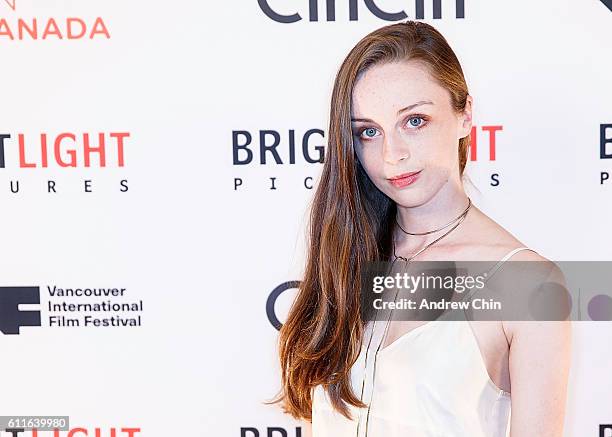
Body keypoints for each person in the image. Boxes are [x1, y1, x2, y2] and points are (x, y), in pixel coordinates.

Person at [266, 20, 571, 437]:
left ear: (465, 116)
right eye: (369, 132)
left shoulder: (526, 283)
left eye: (415, 121)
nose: (393, 154)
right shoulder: (347, 256)